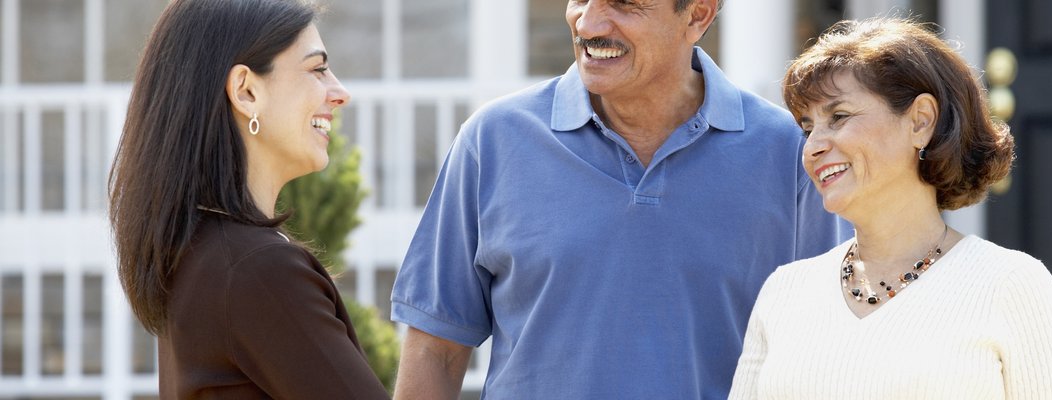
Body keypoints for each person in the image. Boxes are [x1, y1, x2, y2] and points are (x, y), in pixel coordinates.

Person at [389, 0, 849, 398]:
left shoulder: (791, 153)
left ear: (698, 14)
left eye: (624, 3)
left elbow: (826, 351)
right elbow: (436, 350)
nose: (588, 24)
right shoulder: (492, 141)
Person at [728, 18, 1052, 399]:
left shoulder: (1010, 285)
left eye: (838, 117)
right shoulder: (784, 292)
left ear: (920, 122)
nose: (813, 147)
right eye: (808, 127)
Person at [108, 0, 388, 398]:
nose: (339, 93)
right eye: (317, 69)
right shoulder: (256, 269)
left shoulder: (203, 253)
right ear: (246, 91)